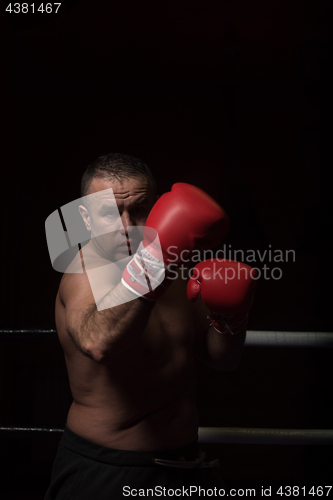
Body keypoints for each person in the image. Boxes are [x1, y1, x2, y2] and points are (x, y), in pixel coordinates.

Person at [45, 153, 256, 499]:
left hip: (186, 464)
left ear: (158, 206)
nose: (127, 225)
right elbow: (99, 342)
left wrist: (232, 318)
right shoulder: (83, 274)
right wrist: (155, 264)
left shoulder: (172, 265)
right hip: (110, 471)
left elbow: (221, 358)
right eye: (109, 213)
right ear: (85, 217)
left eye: (140, 208)